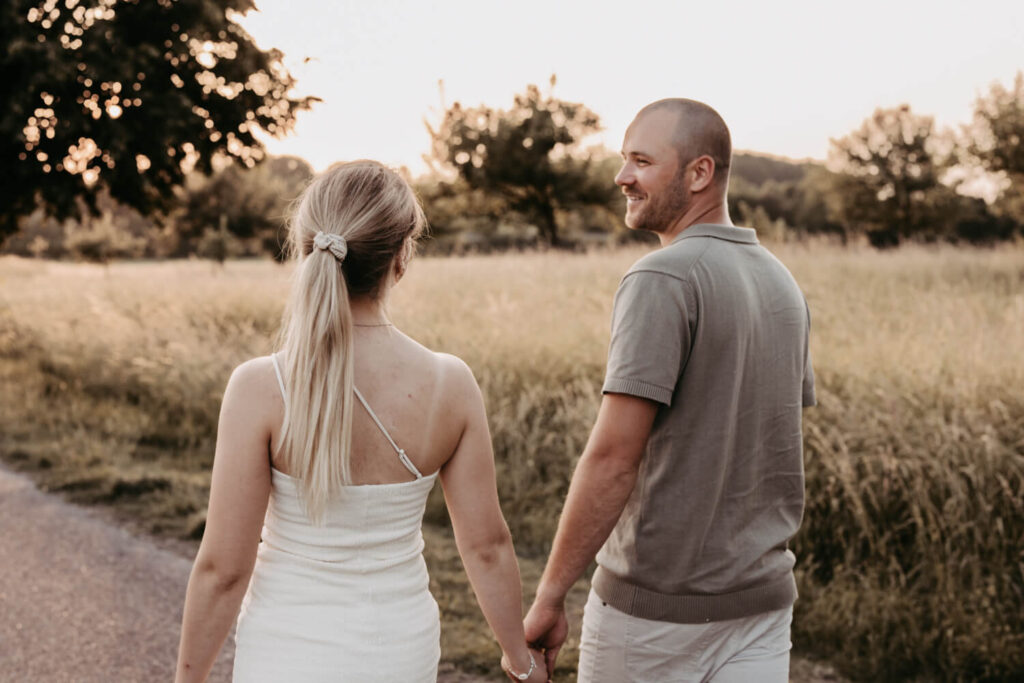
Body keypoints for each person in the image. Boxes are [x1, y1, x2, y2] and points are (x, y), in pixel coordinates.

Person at [175, 160, 546, 682]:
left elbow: (221, 571)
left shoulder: (260, 388)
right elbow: (487, 547)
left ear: (305, 252)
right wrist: (520, 660)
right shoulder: (449, 383)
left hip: (286, 650)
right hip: (398, 647)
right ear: (401, 259)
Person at [524, 99, 816, 682]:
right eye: (623, 159)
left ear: (699, 173)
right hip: (763, 606)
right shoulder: (782, 282)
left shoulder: (661, 276)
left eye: (641, 161)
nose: (621, 176)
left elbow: (612, 459)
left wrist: (551, 595)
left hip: (655, 619)